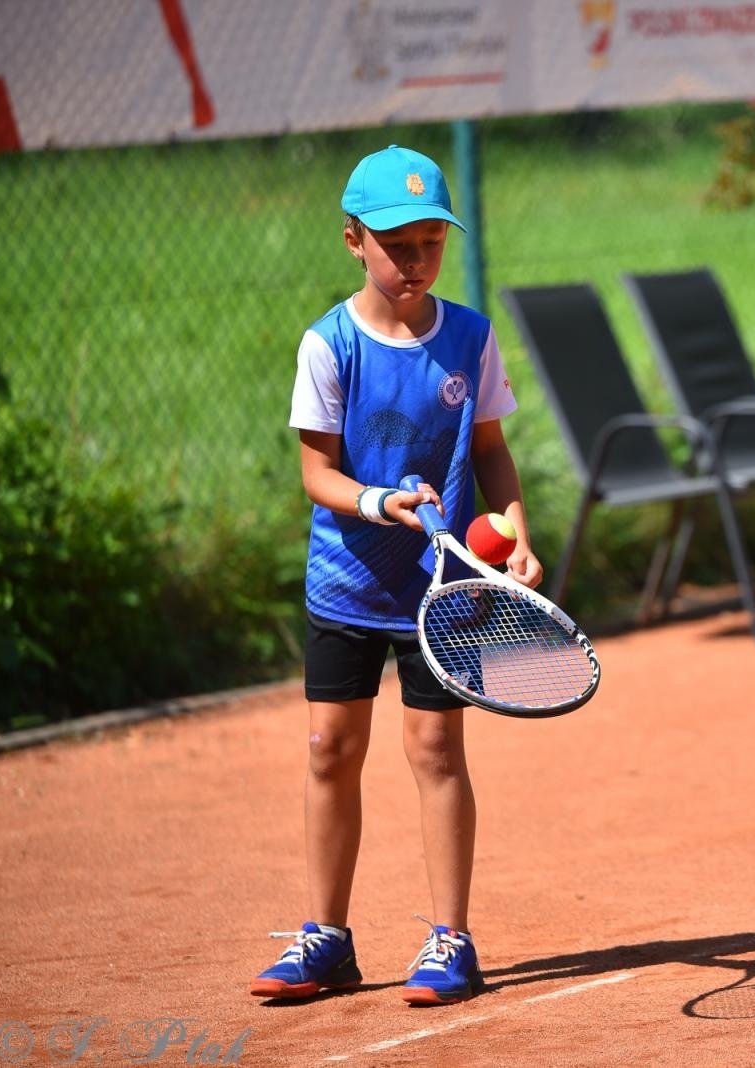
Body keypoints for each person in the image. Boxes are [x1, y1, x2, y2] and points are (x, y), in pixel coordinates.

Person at [250, 144, 542, 1006]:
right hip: (346, 582)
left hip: (437, 593)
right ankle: (327, 940)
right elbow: (318, 475)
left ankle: (452, 941)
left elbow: (491, 451)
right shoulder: (328, 344)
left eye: (430, 244)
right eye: (396, 245)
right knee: (329, 749)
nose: (414, 262)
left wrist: (517, 536)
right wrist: (378, 503)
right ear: (352, 241)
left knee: (436, 750)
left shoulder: (471, 337)